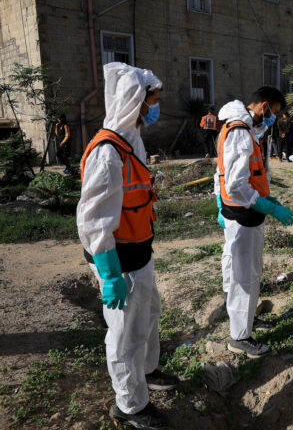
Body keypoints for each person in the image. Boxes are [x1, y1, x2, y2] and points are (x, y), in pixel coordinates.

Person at [77, 62, 177, 429]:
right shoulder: (108, 153)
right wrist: (109, 273)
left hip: (140, 253)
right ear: (134, 101)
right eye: (152, 101)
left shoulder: (131, 141)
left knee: (149, 316)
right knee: (124, 335)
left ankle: (147, 372)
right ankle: (130, 405)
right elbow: (93, 220)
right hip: (118, 260)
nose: (155, 108)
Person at [214, 86, 293, 358]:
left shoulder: (237, 127)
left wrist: (266, 200)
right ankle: (240, 336)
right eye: (273, 112)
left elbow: (222, 172)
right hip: (244, 214)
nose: (274, 118)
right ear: (263, 106)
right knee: (245, 276)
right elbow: (236, 184)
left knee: (239, 269)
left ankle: (246, 320)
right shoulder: (240, 131)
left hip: (238, 211)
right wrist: (265, 206)